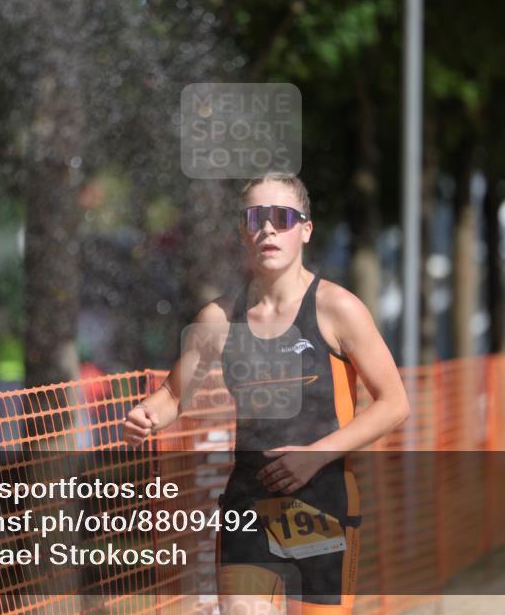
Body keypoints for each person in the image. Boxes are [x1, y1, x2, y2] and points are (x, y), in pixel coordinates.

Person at [123, 172, 410, 614]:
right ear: (243, 231)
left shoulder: (338, 309)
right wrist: (148, 413)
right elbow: (172, 396)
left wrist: (315, 455)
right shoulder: (219, 318)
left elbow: (394, 403)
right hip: (248, 503)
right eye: (256, 217)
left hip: (320, 504)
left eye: (283, 217)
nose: (269, 228)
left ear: (306, 230)